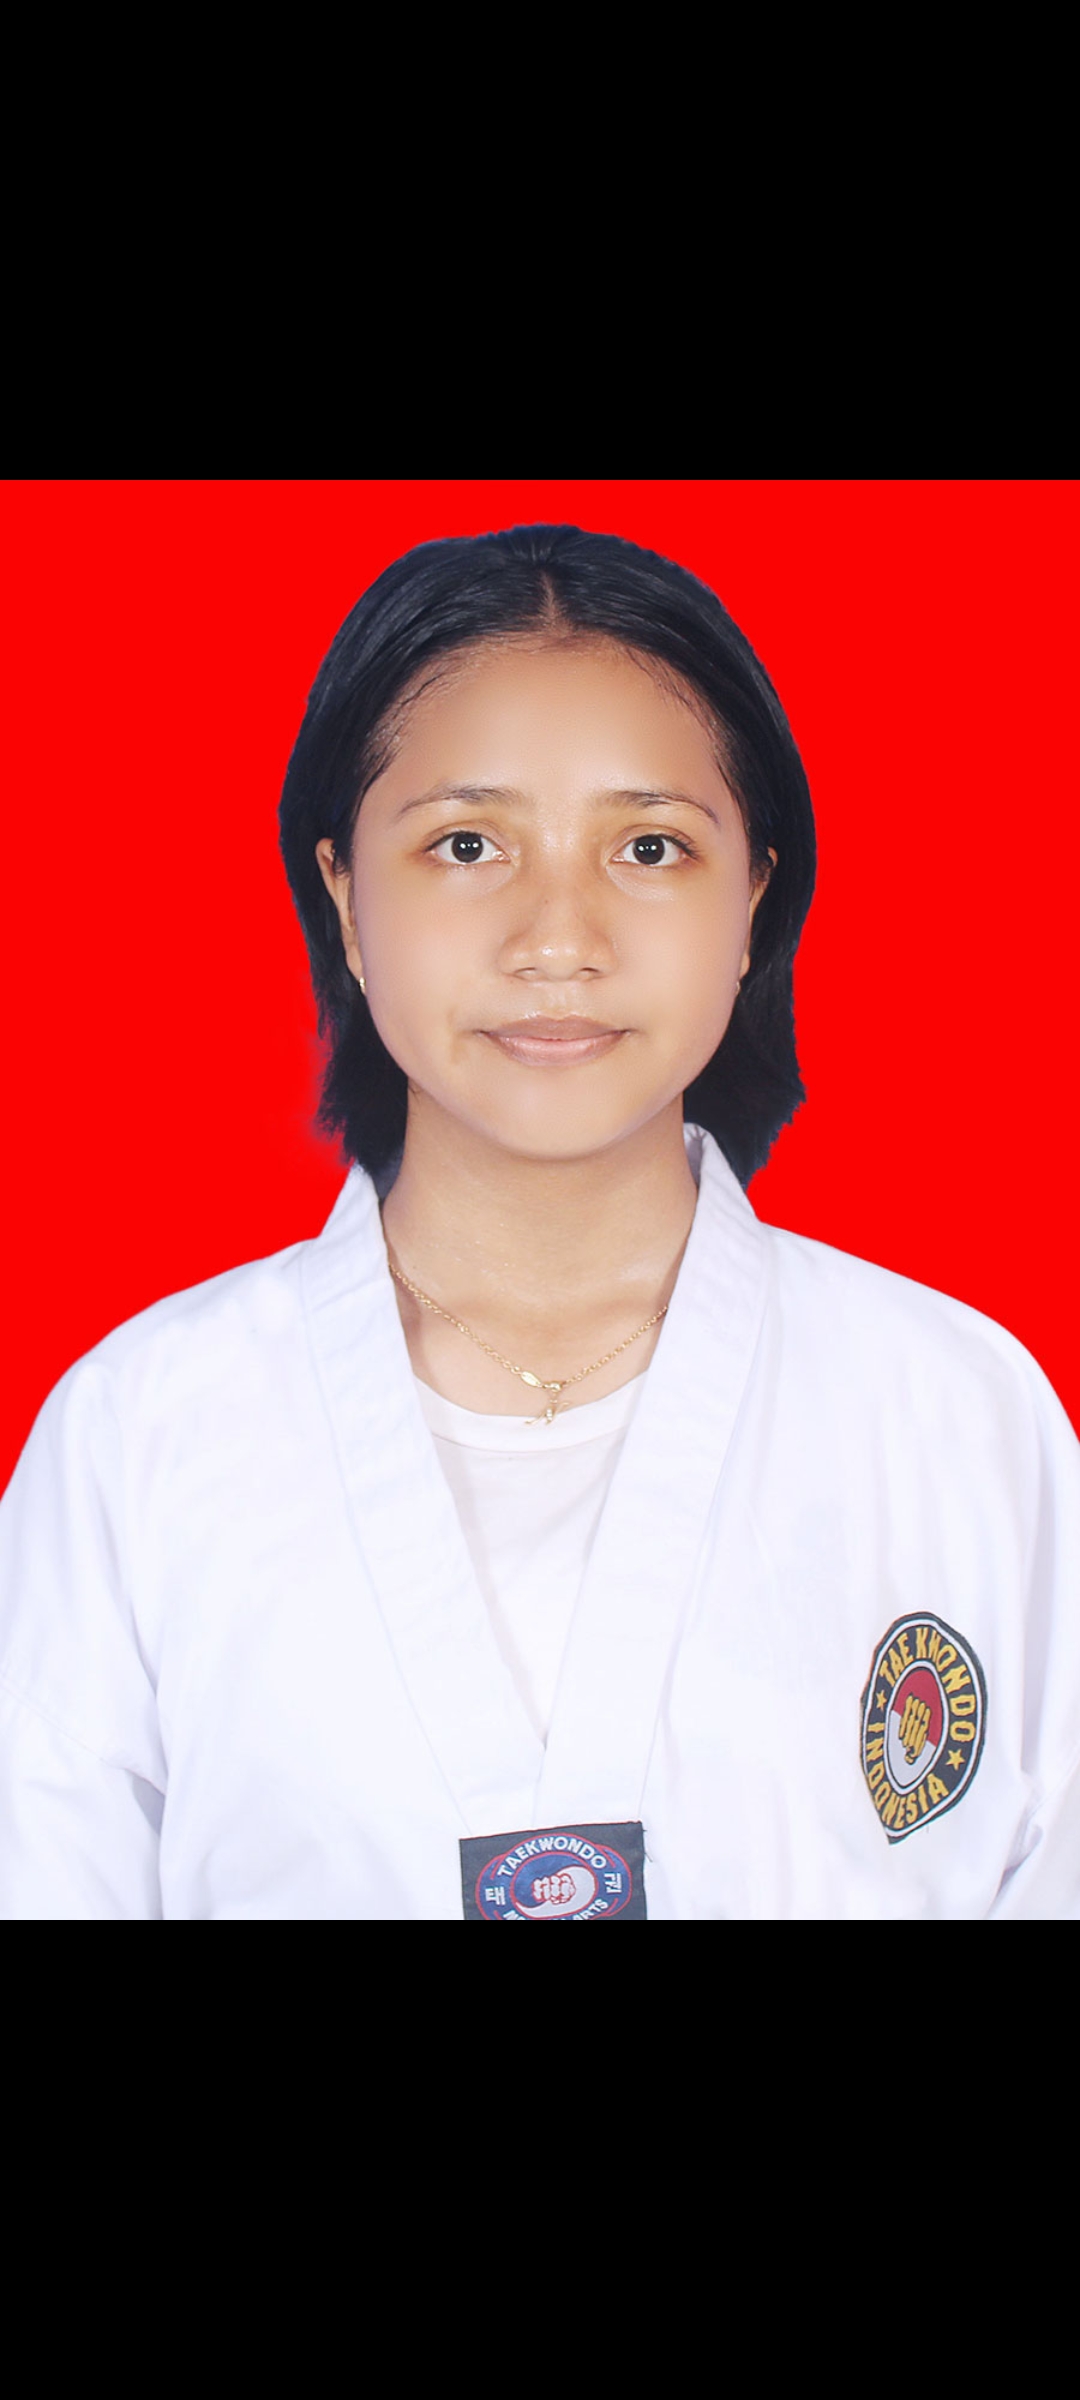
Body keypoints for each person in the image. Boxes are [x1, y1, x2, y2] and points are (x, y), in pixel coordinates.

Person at [2, 523, 1078, 1920]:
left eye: (649, 846)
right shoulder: (139, 1439)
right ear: (344, 897)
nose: (558, 939)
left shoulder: (960, 1416)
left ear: (754, 898)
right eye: (467, 845)